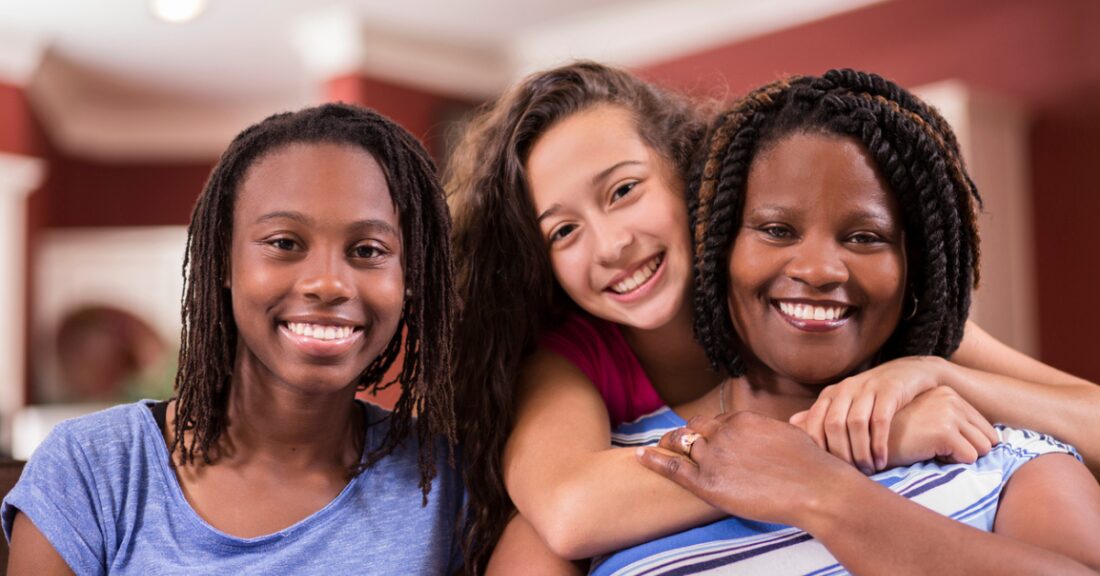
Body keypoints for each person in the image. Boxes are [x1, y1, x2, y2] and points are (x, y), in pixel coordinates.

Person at [446, 61, 1100, 572]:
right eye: (563, 231)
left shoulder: (888, 326)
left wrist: (935, 376)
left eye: (624, 191)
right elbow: (570, 511)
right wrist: (855, 444)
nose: (609, 243)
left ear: (692, 176)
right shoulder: (576, 364)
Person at [2, 103, 464, 574]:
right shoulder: (91, 468)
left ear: (409, 276)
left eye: (368, 250)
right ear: (224, 260)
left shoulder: (447, 481)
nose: (328, 283)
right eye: (285, 243)